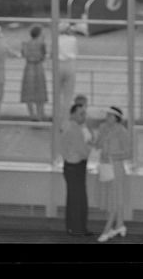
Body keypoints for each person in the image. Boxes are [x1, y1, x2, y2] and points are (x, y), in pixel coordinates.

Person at [95, 106, 132, 242]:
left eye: (110, 115)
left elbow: (128, 153)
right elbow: (98, 145)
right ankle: (120, 225)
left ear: (117, 118)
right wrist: (99, 138)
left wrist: (113, 155)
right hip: (104, 167)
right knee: (109, 199)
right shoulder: (103, 128)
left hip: (116, 168)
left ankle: (107, 229)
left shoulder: (122, 131)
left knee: (115, 199)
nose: (107, 117)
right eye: (107, 115)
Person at [60, 101, 95, 237]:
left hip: (76, 166)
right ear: (73, 115)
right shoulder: (74, 129)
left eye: (84, 113)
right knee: (77, 199)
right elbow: (84, 151)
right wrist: (91, 146)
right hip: (75, 167)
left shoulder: (77, 127)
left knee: (77, 198)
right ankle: (77, 229)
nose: (84, 116)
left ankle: (75, 227)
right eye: (81, 114)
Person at [21, 25, 48, 122]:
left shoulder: (25, 44)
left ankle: (32, 115)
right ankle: (40, 115)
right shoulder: (42, 44)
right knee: (40, 92)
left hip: (28, 67)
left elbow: (23, 54)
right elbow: (43, 56)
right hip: (38, 67)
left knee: (28, 92)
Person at [56, 22, 79, 122]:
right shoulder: (73, 39)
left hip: (58, 64)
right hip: (70, 64)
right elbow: (76, 52)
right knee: (68, 96)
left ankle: (57, 119)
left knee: (57, 94)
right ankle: (65, 122)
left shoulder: (56, 39)